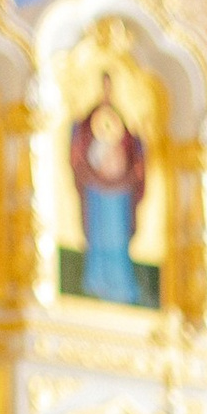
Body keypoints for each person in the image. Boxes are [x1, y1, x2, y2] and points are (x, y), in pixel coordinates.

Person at [71, 90, 149, 305]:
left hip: (118, 203)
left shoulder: (121, 148)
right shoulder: (96, 148)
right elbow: (91, 163)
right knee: (100, 245)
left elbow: (128, 165)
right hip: (100, 203)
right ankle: (96, 282)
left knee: (117, 246)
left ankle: (121, 285)